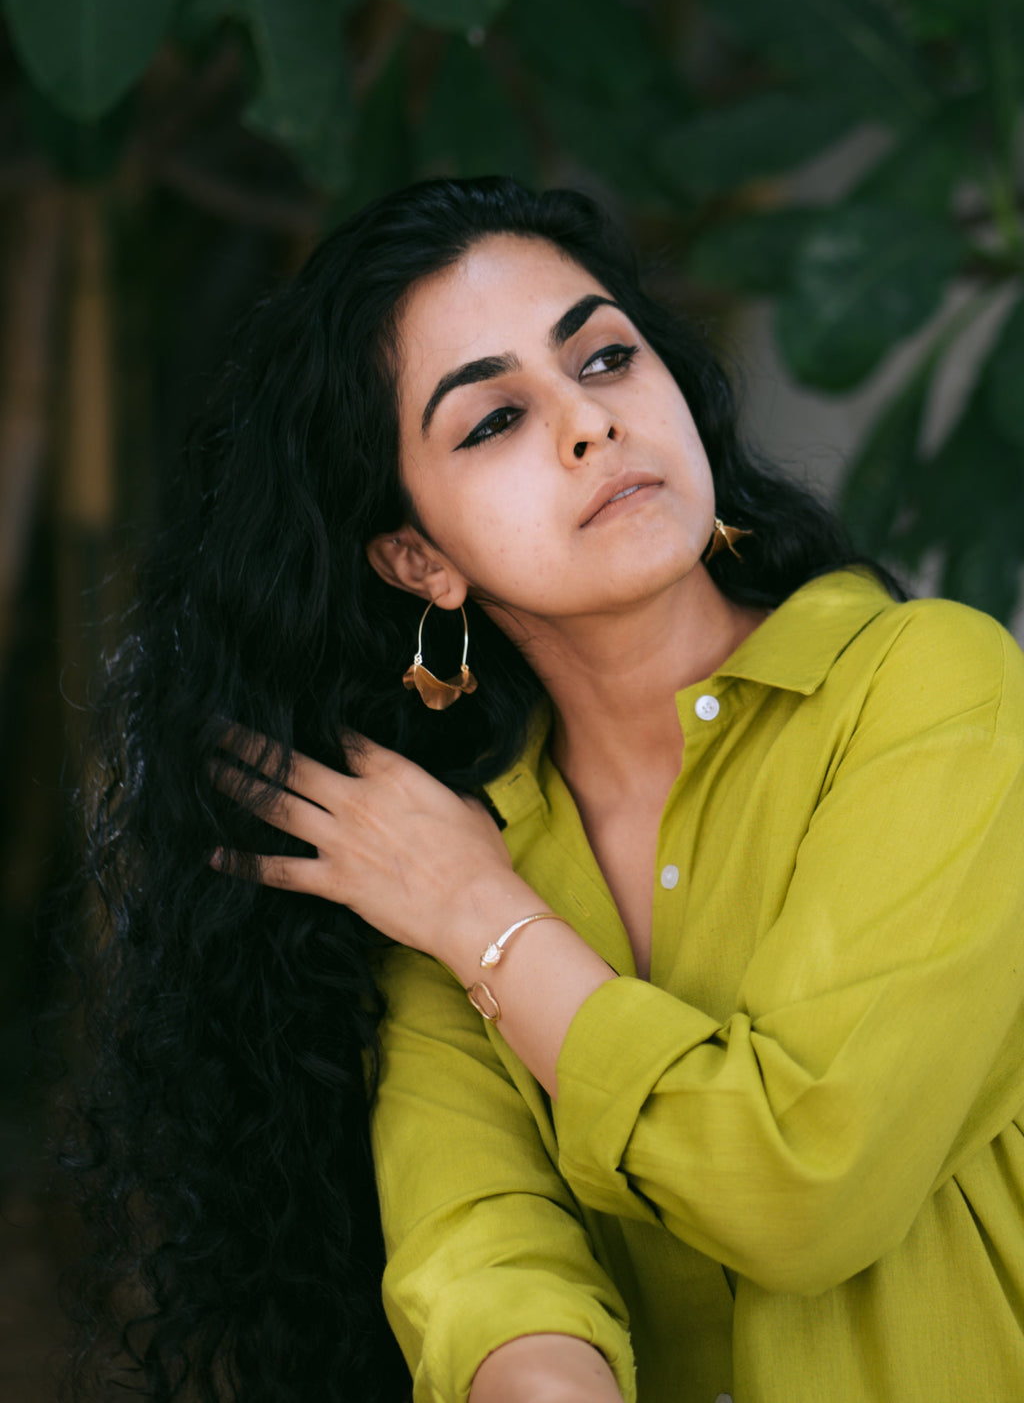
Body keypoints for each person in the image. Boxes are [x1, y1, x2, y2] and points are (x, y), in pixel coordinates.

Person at [70, 177, 1024, 1403]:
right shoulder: (445, 844)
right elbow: (484, 1250)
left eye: (607, 358)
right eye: (492, 421)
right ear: (419, 558)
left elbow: (807, 1187)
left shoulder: (934, 690)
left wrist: (484, 920)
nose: (588, 422)